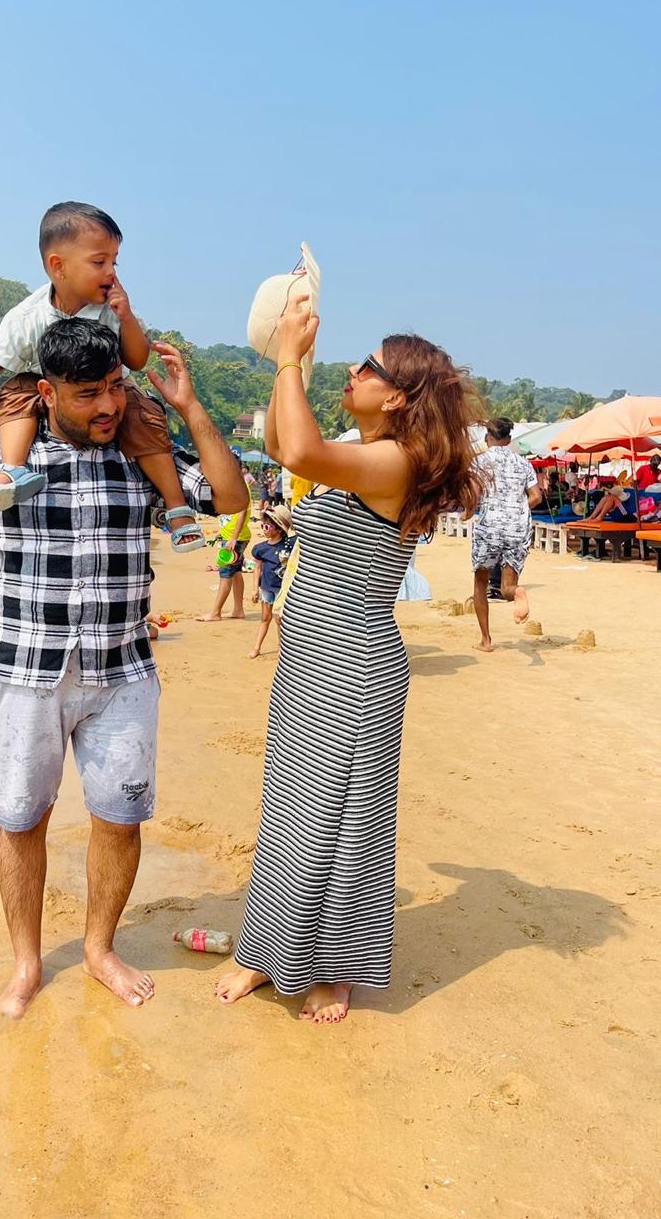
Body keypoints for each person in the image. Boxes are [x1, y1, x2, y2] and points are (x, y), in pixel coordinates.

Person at [0, 319, 247, 1019]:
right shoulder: (0, 450)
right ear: (47, 393)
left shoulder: (140, 446)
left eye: (114, 387)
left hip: (123, 672)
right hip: (26, 671)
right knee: (22, 821)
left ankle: (99, 948)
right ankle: (26, 962)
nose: (108, 405)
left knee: (119, 817)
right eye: (88, 394)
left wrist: (189, 407)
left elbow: (229, 498)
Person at [214, 296, 483, 1024]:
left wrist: (290, 355)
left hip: (354, 664)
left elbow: (301, 455)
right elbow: (283, 445)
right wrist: (288, 360)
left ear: (396, 396)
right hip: (312, 658)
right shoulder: (364, 452)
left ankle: (333, 970)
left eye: (368, 366)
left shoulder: (395, 460)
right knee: (291, 811)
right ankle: (268, 952)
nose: (354, 372)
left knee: (341, 823)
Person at [0, 201, 203, 553]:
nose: (110, 273)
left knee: (144, 415)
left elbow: (137, 360)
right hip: (46, 392)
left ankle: (176, 507)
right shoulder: (27, 318)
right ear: (58, 266)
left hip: (112, 388)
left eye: (114, 262)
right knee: (14, 392)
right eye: (99, 262)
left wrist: (126, 318)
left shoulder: (113, 309)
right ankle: (12, 470)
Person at [470, 417, 543, 651]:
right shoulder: (523, 463)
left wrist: (468, 511)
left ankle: (486, 640)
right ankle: (517, 592)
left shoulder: (480, 462)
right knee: (507, 587)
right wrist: (516, 509)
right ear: (509, 439)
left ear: (487, 438)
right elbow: (536, 497)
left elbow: (474, 494)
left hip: (490, 527)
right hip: (517, 528)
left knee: (481, 583)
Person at [248, 504, 296, 658]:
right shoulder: (260, 548)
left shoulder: (290, 545)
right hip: (267, 588)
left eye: (268, 526)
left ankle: (282, 648)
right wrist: (254, 589)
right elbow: (257, 569)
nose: (264, 529)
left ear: (279, 529)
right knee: (265, 618)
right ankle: (257, 647)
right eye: (263, 525)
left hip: (283, 589)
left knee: (280, 619)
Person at [198, 505, 251, 621]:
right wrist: (222, 533)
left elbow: (242, 512)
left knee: (225, 574)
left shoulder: (241, 492)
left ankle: (215, 613)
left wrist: (233, 538)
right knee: (236, 572)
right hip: (233, 537)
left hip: (234, 539)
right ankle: (238, 610)